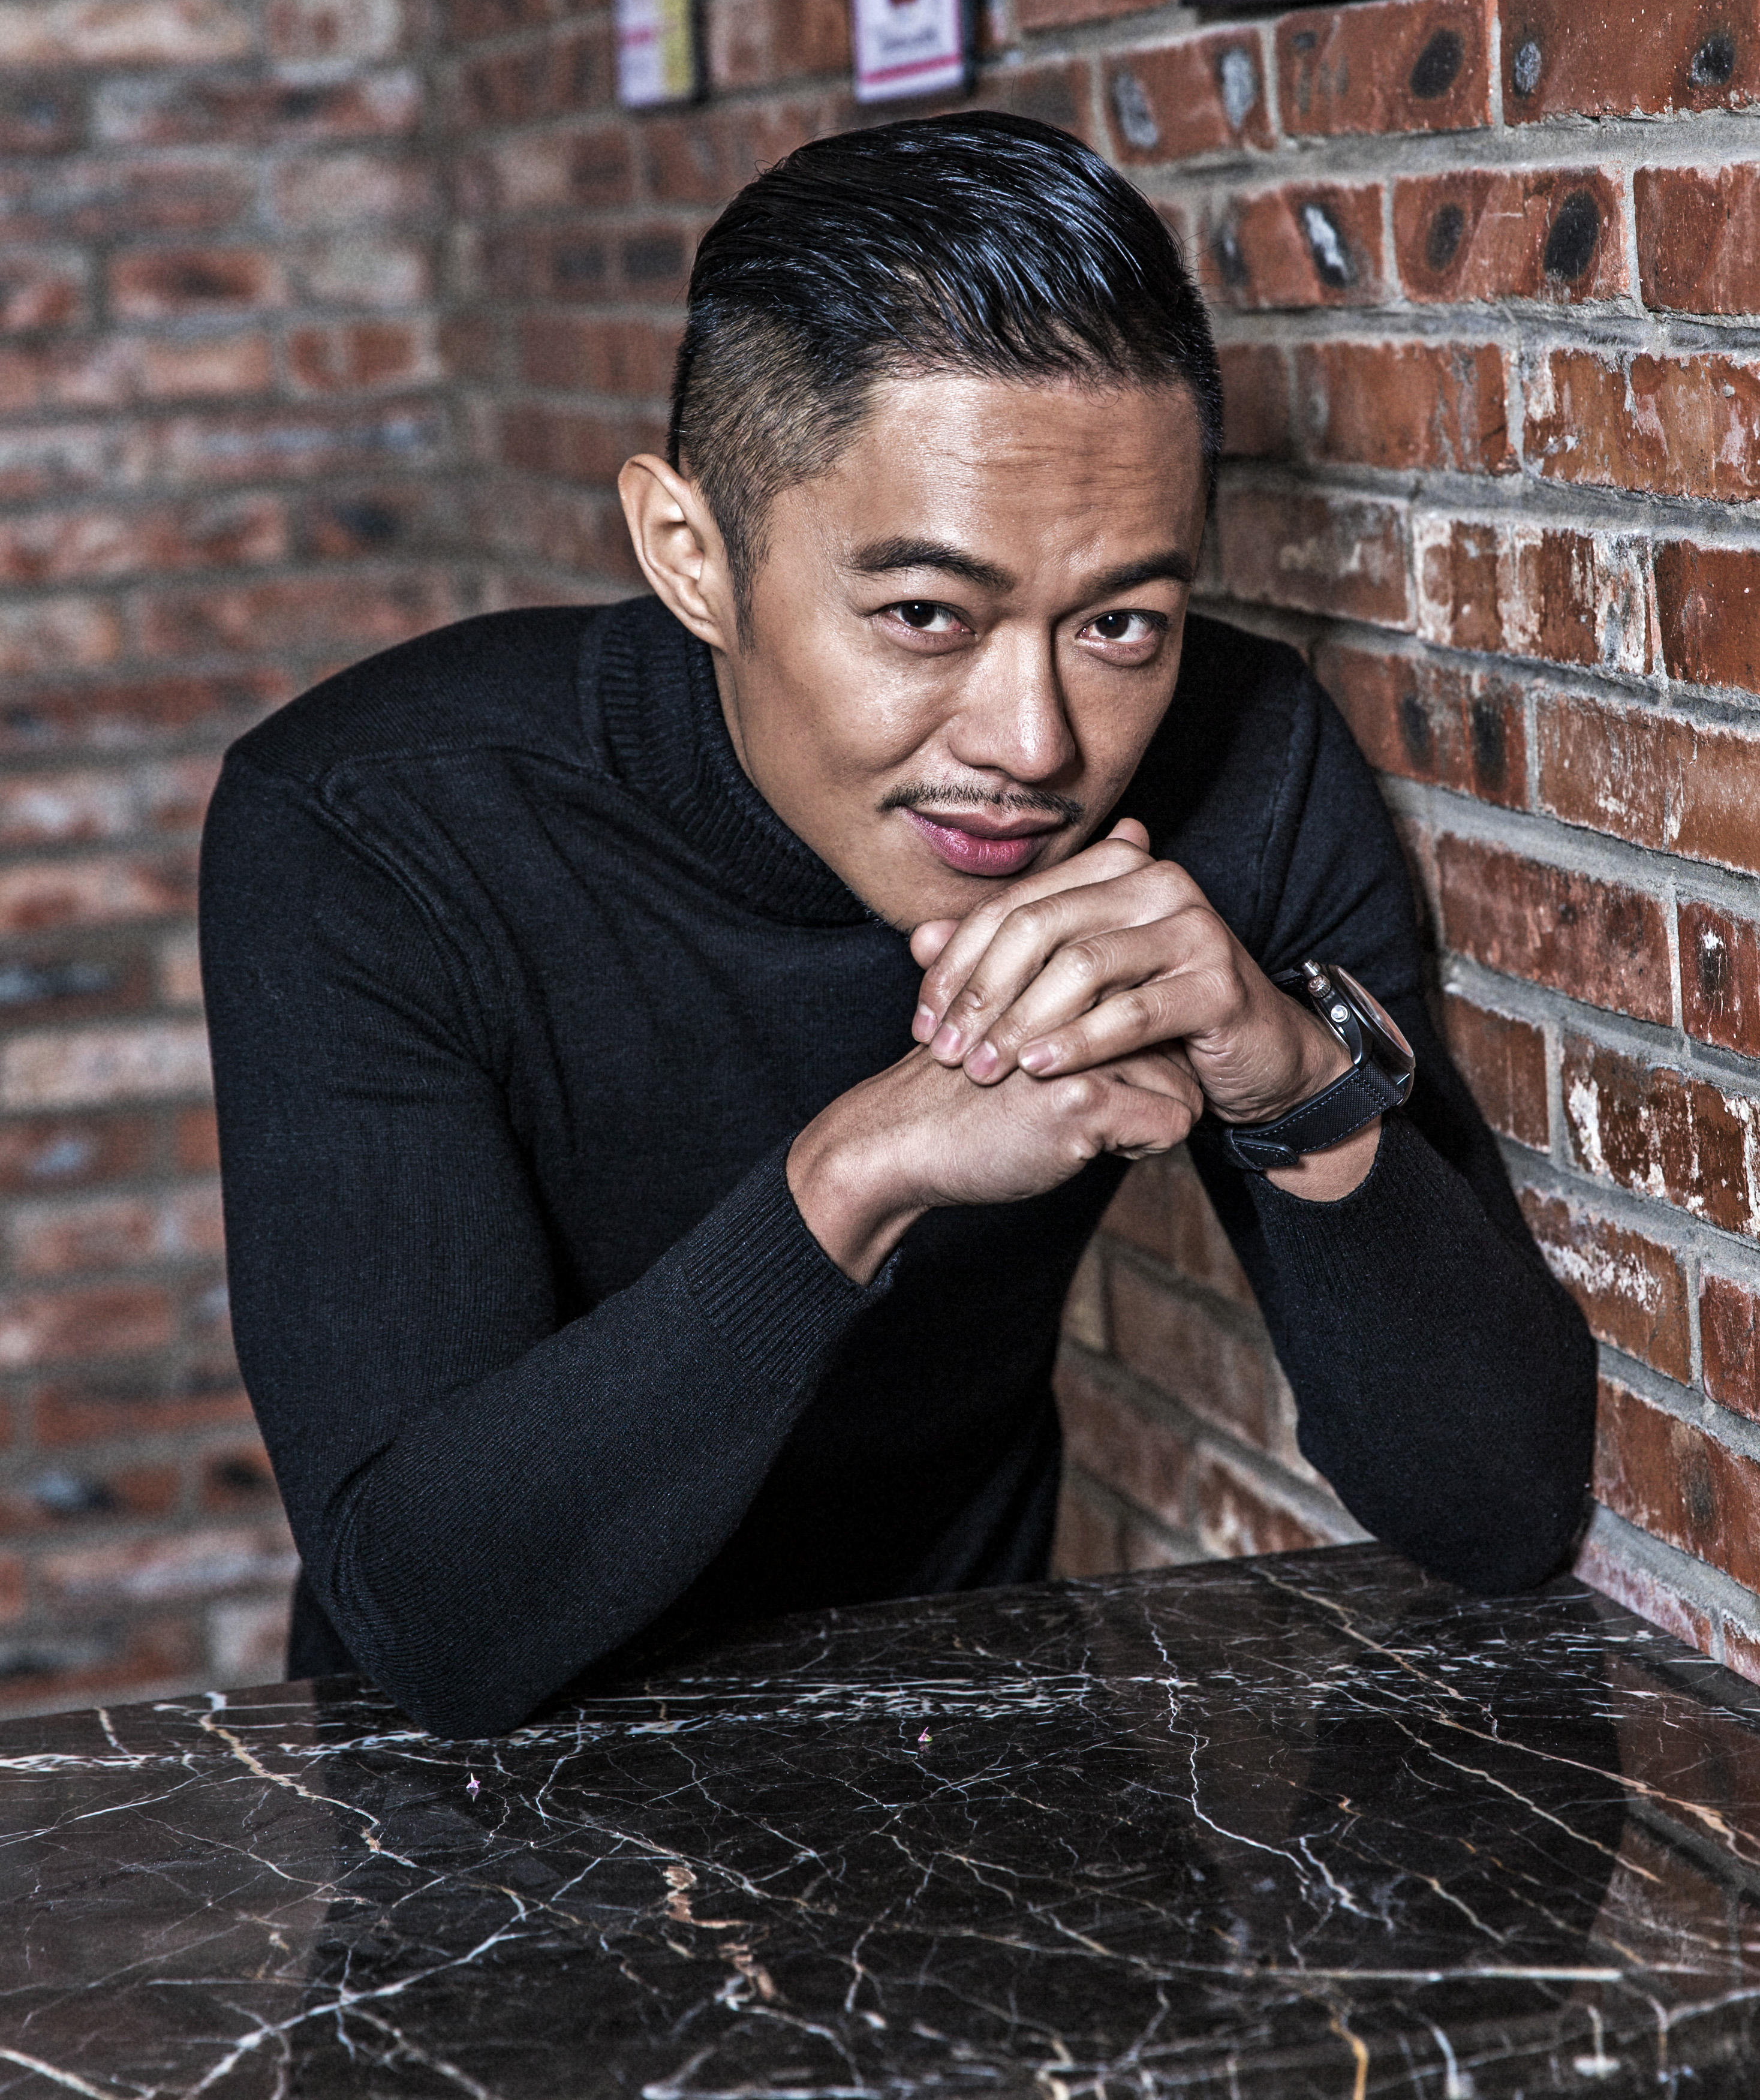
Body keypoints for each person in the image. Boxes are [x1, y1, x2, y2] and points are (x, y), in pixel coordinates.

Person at [200, 113, 1596, 1740]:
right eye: (926, 614)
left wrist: (1296, 1082)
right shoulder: (373, 826)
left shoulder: (1240, 767)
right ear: (691, 556)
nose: (1037, 743)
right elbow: (433, 1617)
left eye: (1122, 623)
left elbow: (1497, 1510)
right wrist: (857, 1177)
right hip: (483, 1804)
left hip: (978, 1745)